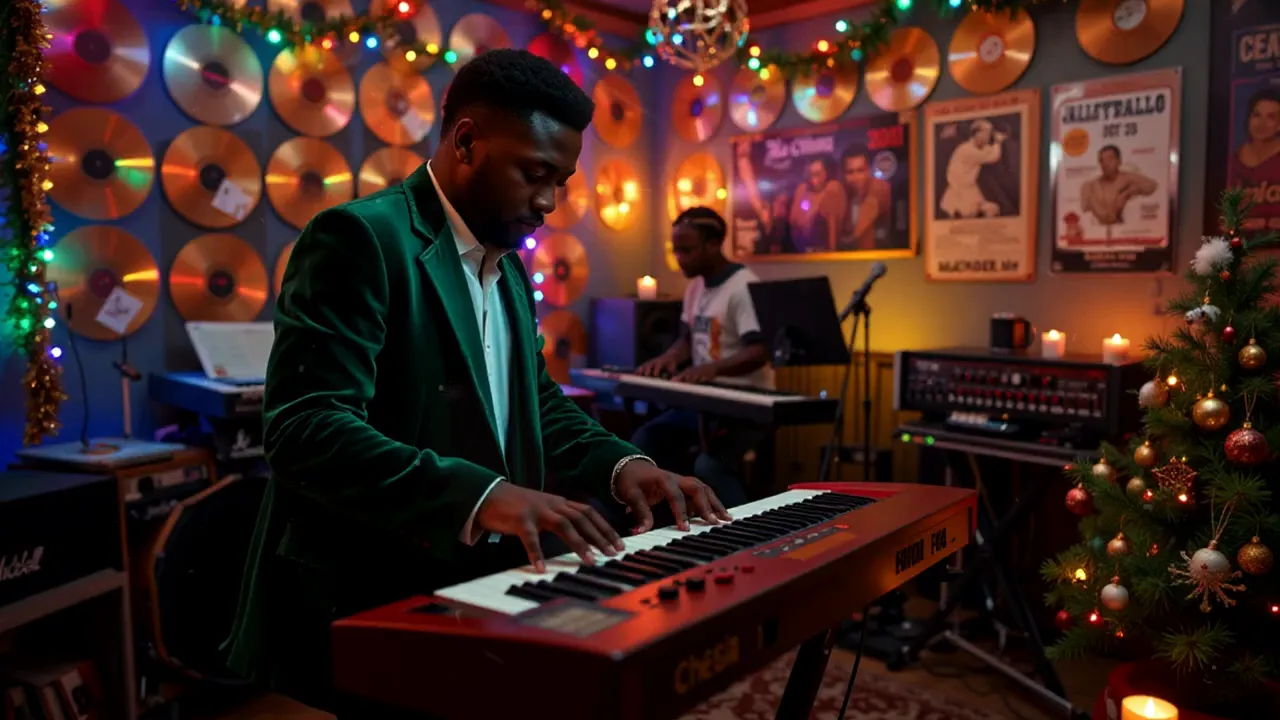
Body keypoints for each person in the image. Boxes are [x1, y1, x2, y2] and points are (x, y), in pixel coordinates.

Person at [223, 50, 730, 717]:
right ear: (466, 141)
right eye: (535, 173)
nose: (549, 201)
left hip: (478, 577)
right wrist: (484, 495)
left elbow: (532, 401)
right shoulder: (357, 238)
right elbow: (305, 427)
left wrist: (622, 465)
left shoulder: (511, 266)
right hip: (372, 580)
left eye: (562, 180)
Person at [632, 208, 774, 508]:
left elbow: (759, 351)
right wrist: (667, 359)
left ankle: (744, 535)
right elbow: (687, 339)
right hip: (705, 402)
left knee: (710, 466)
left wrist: (709, 370)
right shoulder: (696, 285)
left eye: (687, 250)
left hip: (744, 405)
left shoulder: (744, 287)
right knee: (646, 440)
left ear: (713, 244)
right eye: (676, 250)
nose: (679, 257)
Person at [939, 119, 1005, 219]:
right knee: (972, 216)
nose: (988, 137)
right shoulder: (967, 150)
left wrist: (996, 142)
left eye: (989, 134)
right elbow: (993, 156)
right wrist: (998, 142)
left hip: (968, 189)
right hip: (960, 191)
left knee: (991, 211)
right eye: (986, 133)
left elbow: (987, 150)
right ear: (977, 134)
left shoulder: (976, 148)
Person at [1080, 145, 1157, 226]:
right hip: (1097, 231)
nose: (1105, 164)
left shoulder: (1127, 178)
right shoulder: (1089, 186)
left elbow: (1152, 185)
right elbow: (1107, 217)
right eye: (1102, 160)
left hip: (1123, 230)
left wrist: (1129, 192)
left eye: (1110, 159)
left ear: (1119, 161)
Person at [839, 143, 892, 250]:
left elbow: (871, 204)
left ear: (869, 170)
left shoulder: (879, 188)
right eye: (850, 172)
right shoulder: (844, 193)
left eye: (860, 170)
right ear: (843, 174)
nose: (855, 177)